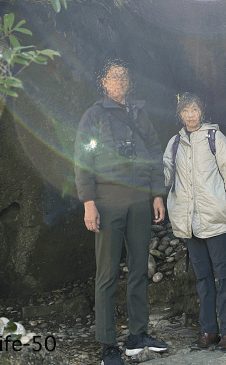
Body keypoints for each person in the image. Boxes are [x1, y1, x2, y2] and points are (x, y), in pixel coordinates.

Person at [74, 60, 169, 365]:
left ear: (129, 82)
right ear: (103, 82)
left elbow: (155, 155)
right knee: (107, 274)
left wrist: (157, 195)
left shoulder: (139, 114)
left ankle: (137, 335)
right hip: (107, 202)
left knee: (140, 267)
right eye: (113, 77)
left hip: (140, 201)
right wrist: (88, 202)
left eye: (124, 77)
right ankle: (108, 344)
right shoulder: (93, 116)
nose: (120, 81)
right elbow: (83, 159)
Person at [163, 92, 226, 351]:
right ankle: (208, 330)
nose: (190, 115)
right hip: (189, 222)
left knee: (223, 276)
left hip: (215, 219)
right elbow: (166, 176)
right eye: (186, 110)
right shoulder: (174, 143)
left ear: (202, 112)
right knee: (202, 279)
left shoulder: (214, 138)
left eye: (194, 110)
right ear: (180, 114)